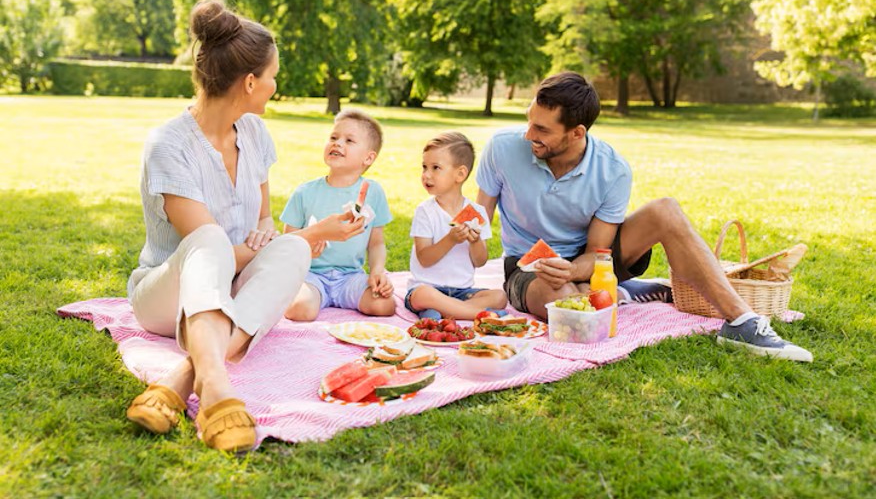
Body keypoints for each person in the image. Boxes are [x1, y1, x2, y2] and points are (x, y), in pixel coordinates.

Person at [125, 0, 365, 452]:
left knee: (293, 251)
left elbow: (264, 222)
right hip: (168, 297)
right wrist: (313, 234)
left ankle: (184, 376)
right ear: (251, 81)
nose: (276, 85)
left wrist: (285, 239)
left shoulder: (254, 134)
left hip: (233, 291)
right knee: (214, 237)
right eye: (273, 76)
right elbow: (208, 251)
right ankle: (215, 386)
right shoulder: (169, 145)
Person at [476, 71, 813, 362]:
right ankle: (626, 292)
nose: (527, 134)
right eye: (528, 120)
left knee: (666, 209)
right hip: (526, 266)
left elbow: (598, 252)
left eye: (541, 129)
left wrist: (574, 269)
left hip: (590, 259)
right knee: (570, 311)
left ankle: (742, 322)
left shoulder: (612, 169)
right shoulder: (502, 149)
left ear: (577, 132)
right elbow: (477, 221)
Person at [280, 109, 396, 320]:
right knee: (300, 309)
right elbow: (287, 242)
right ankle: (302, 296)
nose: (337, 143)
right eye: (333, 137)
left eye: (349, 140)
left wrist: (378, 271)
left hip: (351, 277)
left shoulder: (374, 192)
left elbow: (376, 243)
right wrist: (309, 244)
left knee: (385, 305)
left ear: (368, 158)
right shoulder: (304, 192)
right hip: (311, 275)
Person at [404, 132, 507, 320]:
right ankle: (480, 315)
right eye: (424, 167)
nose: (426, 174)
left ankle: (445, 312)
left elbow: (480, 261)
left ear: (460, 174)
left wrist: (475, 242)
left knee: (499, 297)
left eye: (436, 168)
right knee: (423, 295)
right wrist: (451, 239)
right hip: (427, 288)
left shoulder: (476, 211)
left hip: (462, 292)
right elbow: (424, 258)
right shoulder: (425, 211)